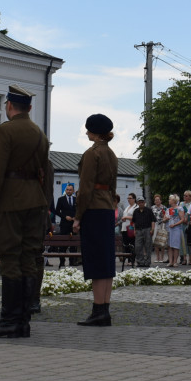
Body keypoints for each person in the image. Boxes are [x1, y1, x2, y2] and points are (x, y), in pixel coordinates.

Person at [0, 85, 51, 338]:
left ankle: (9, 320)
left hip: (11, 202)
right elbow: (45, 172)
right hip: (36, 201)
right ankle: (23, 321)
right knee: (29, 258)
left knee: (10, 256)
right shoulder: (39, 133)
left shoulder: (5, 130)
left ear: (9, 106)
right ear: (29, 108)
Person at [73, 113, 118, 327]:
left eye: (88, 128)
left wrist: (78, 216)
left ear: (94, 132)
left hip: (93, 209)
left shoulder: (92, 154)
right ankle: (104, 309)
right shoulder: (111, 153)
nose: (86, 132)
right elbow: (113, 187)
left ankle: (98, 310)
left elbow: (86, 188)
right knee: (106, 261)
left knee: (96, 260)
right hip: (107, 208)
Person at [55, 183, 79, 267]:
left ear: (73, 191)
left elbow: (78, 210)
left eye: (70, 190)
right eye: (67, 190)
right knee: (63, 244)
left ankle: (72, 261)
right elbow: (57, 211)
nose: (69, 191)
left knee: (73, 244)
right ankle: (62, 261)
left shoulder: (76, 199)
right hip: (64, 224)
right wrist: (65, 217)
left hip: (73, 225)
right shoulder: (61, 199)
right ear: (65, 190)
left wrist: (76, 217)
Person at [131, 195, 155, 268]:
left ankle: (147, 262)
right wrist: (134, 230)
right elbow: (134, 222)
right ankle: (140, 261)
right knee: (138, 246)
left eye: (142, 202)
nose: (141, 203)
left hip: (147, 229)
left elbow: (153, 220)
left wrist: (152, 229)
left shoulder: (149, 210)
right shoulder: (135, 211)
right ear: (138, 203)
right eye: (139, 202)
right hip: (138, 230)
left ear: (144, 202)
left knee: (148, 246)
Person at [165, 195, 187, 267]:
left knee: (176, 246)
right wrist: (166, 219)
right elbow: (164, 219)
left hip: (176, 228)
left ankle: (175, 261)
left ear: (174, 201)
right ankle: (170, 261)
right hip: (169, 228)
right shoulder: (168, 209)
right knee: (170, 246)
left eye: (170, 199)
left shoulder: (179, 208)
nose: (169, 200)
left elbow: (182, 219)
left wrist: (175, 224)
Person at [151, 194, 169, 263]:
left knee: (162, 241)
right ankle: (157, 257)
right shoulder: (152, 208)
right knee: (156, 241)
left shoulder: (164, 207)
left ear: (160, 200)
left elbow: (166, 216)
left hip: (162, 224)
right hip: (155, 224)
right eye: (156, 200)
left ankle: (162, 257)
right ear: (154, 201)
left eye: (158, 200)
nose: (157, 201)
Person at [120, 192, 137, 260]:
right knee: (126, 244)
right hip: (124, 227)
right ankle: (127, 259)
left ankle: (131, 259)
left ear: (134, 199)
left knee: (131, 244)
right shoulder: (127, 207)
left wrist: (126, 217)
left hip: (131, 228)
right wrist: (124, 218)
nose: (128, 199)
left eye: (130, 198)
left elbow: (135, 218)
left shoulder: (136, 207)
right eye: (128, 198)